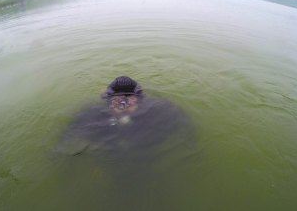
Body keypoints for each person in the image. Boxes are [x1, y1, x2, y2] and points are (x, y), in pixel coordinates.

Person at [56, 76, 196, 196]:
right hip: (108, 173)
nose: (123, 105)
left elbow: (185, 126)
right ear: (108, 102)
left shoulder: (158, 112)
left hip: (148, 172)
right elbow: (70, 137)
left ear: (140, 100)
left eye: (129, 99)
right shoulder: (92, 116)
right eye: (116, 100)